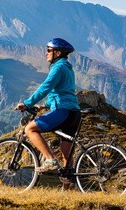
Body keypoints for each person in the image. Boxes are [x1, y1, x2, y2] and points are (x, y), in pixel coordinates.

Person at [14, 38, 81, 173]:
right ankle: (68, 188)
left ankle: (50, 160)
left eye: (49, 50)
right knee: (66, 156)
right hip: (74, 113)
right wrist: (45, 105)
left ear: (57, 53)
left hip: (63, 112)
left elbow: (46, 87)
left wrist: (27, 103)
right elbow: (63, 92)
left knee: (30, 129)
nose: (46, 53)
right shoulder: (67, 68)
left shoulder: (58, 67)